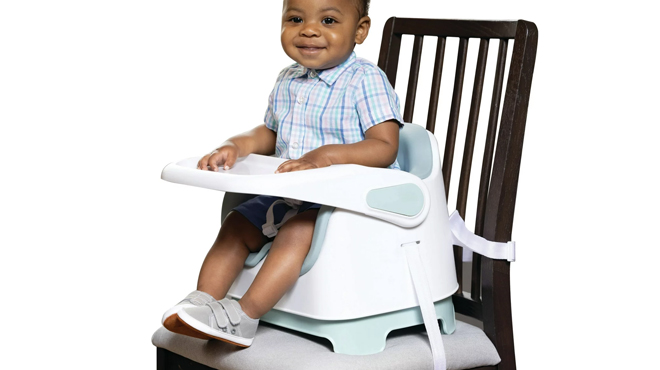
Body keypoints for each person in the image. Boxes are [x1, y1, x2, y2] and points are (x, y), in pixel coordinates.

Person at [161, 0, 403, 347]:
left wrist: (325, 157)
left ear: (360, 30)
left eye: (329, 19)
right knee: (236, 225)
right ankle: (203, 305)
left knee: (297, 232)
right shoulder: (288, 78)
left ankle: (243, 317)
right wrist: (236, 145)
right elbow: (272, 133)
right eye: (295, 18)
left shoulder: (365, 80)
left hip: (347, 201)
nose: (309, 29)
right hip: (292, 192)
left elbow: (385, 145)